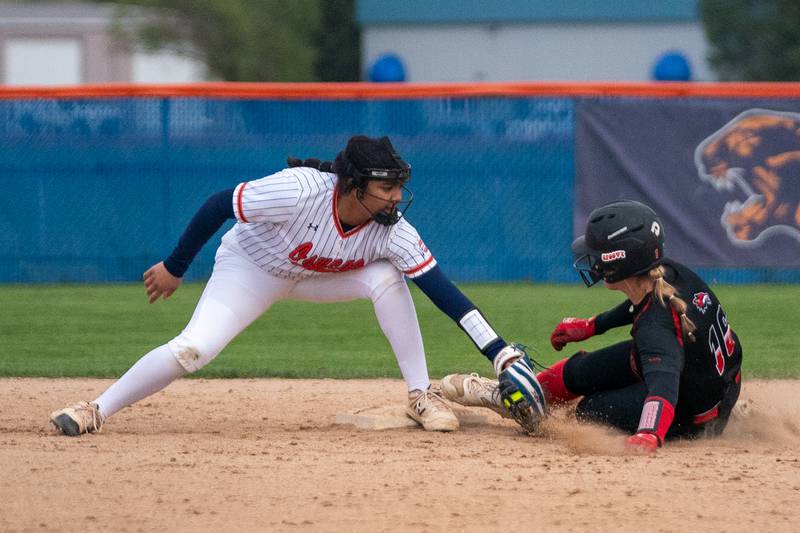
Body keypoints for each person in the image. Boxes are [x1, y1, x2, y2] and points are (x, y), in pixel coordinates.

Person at [49, 135, 542, 436]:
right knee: (193, 349)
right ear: (353, 187)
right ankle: (96, 408)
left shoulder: (392, 231)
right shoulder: (300, 190)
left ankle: (419, 395)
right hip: (252, 270)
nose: (397, 197)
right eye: (386, 187)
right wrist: (176, 266)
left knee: (388, 276)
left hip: (316, 279)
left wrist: (498, 352)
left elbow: (443, 291)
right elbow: (221, 204)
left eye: (397, 186)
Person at [442, 200, 743, 452]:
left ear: (619, 261)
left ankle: (539, 419)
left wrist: (649, 434)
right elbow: (640, 306)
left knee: (590, 410)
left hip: (693, 416)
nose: (592, 260)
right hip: (708, 379)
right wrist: (591, 326)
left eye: (598, 254)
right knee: (578, 370)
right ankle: (520, 397)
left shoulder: (655, 330)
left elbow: (663, 386)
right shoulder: (669, 275)